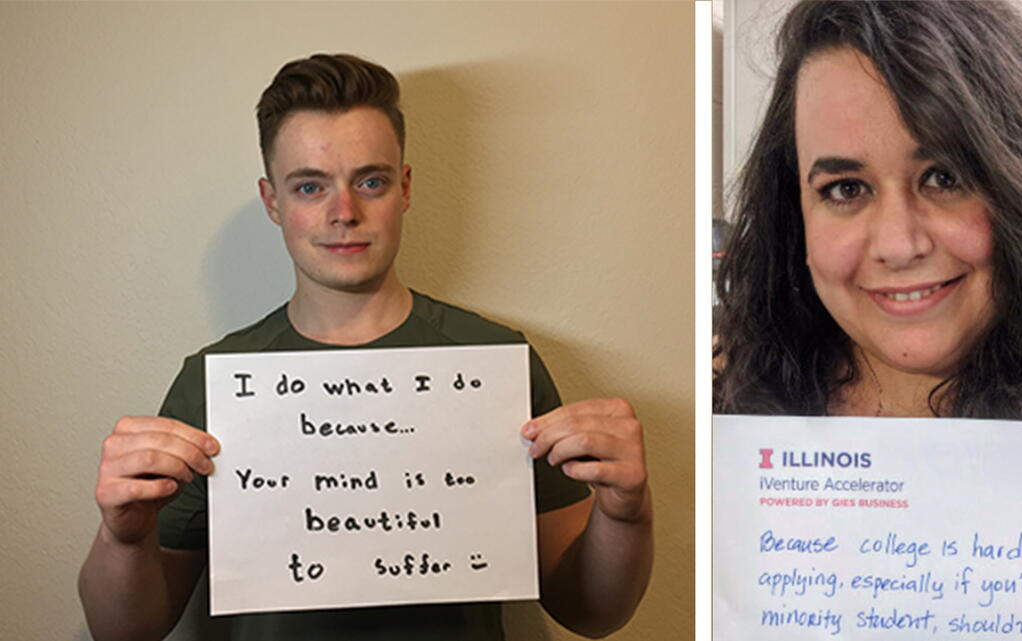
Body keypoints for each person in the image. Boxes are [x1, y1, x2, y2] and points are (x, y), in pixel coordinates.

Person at [78, 54, 652, 641]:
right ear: (273, 202)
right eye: (309, 187)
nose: (344, 213)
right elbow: (127, 631)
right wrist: (122, 535)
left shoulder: (495, 362)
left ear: (403, 188)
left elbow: (589, 612)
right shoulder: (217, 381)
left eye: (370, 181)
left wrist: (626, 512)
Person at [715, 0, 1022, 422]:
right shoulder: (722, 414)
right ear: (795, 215)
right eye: (846, 189)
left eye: (944, 178)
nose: (899, 246)